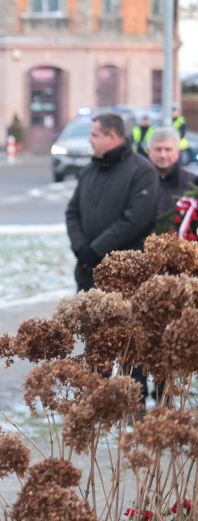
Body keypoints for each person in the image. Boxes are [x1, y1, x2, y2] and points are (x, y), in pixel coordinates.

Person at [65, 113, 158, 411]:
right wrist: (81, 248)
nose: (90, 140)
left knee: (131, 343)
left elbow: (135, 219)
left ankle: (134, 405)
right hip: (89, 272)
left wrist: (96, 250)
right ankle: (98, 404)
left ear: (112, 137)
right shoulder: (90, 170)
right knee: (97, 340)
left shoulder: (142, 171)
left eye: (94, 134)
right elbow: (72, 212)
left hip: (126, 276)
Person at [141, 127, 193, 404]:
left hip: (177, 276)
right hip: (142, 271)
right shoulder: (138, 181)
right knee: (139, 337)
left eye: (168, 149)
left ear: (177, 151)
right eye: (157, 149)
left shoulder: (191, 184)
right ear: (148, 151)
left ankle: (165, 397)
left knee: (170, 339)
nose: (163, 155)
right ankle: (135, 399)